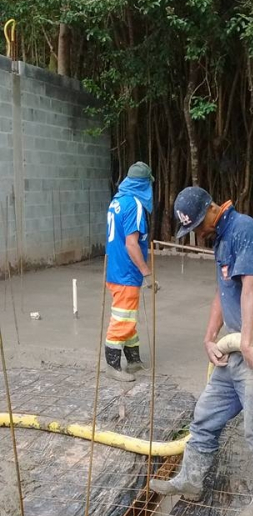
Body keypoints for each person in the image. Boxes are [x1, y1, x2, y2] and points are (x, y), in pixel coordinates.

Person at [150, 187, 253, 516]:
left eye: (199, 225)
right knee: (205, 415)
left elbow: (252, 286)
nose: (198, 233)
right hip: (234, 348)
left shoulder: (241, 229)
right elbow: (223, 291)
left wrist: (246, 343)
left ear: (212, 210)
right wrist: (210, 337)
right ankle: (191, 481)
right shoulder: (221, 238)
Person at [105, 162, 157, 382]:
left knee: (128, 318)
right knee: (122, 319)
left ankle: (134, 360)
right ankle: (113, 366)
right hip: (126, 273)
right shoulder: (134, 205)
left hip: (116, 270)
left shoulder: (117, 201)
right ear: (144, 184)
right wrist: (147, 273)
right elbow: (131, 244)